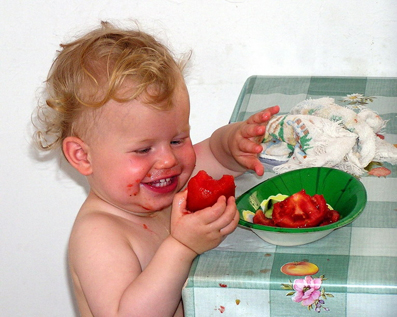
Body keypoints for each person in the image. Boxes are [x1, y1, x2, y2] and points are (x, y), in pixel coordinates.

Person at [33, 21, 279, 317]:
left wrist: (233, 145)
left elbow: (216, 154)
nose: (168, 161)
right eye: (143, 149)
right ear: (83, 156)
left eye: (177, 140)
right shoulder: (99, 235)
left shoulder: (163, 184)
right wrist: (182, 248)